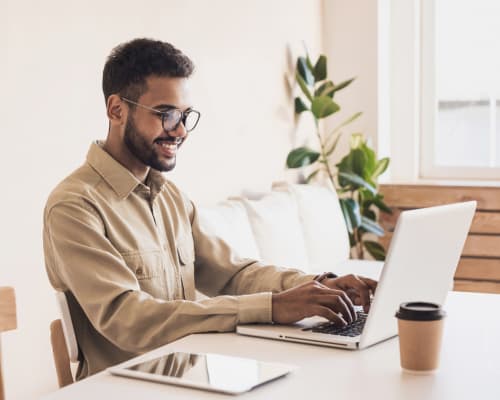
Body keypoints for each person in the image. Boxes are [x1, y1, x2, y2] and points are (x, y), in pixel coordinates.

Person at [43, 38, 377, 380]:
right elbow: (129, 318)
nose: (181, 131)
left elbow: (233, 274)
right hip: (125, 390)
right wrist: (273, 308)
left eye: (185, 116)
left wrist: (317, 287)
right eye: (167, 114)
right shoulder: (74, 207)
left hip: (191, 385)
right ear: (117, 110)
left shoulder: (171, 197)